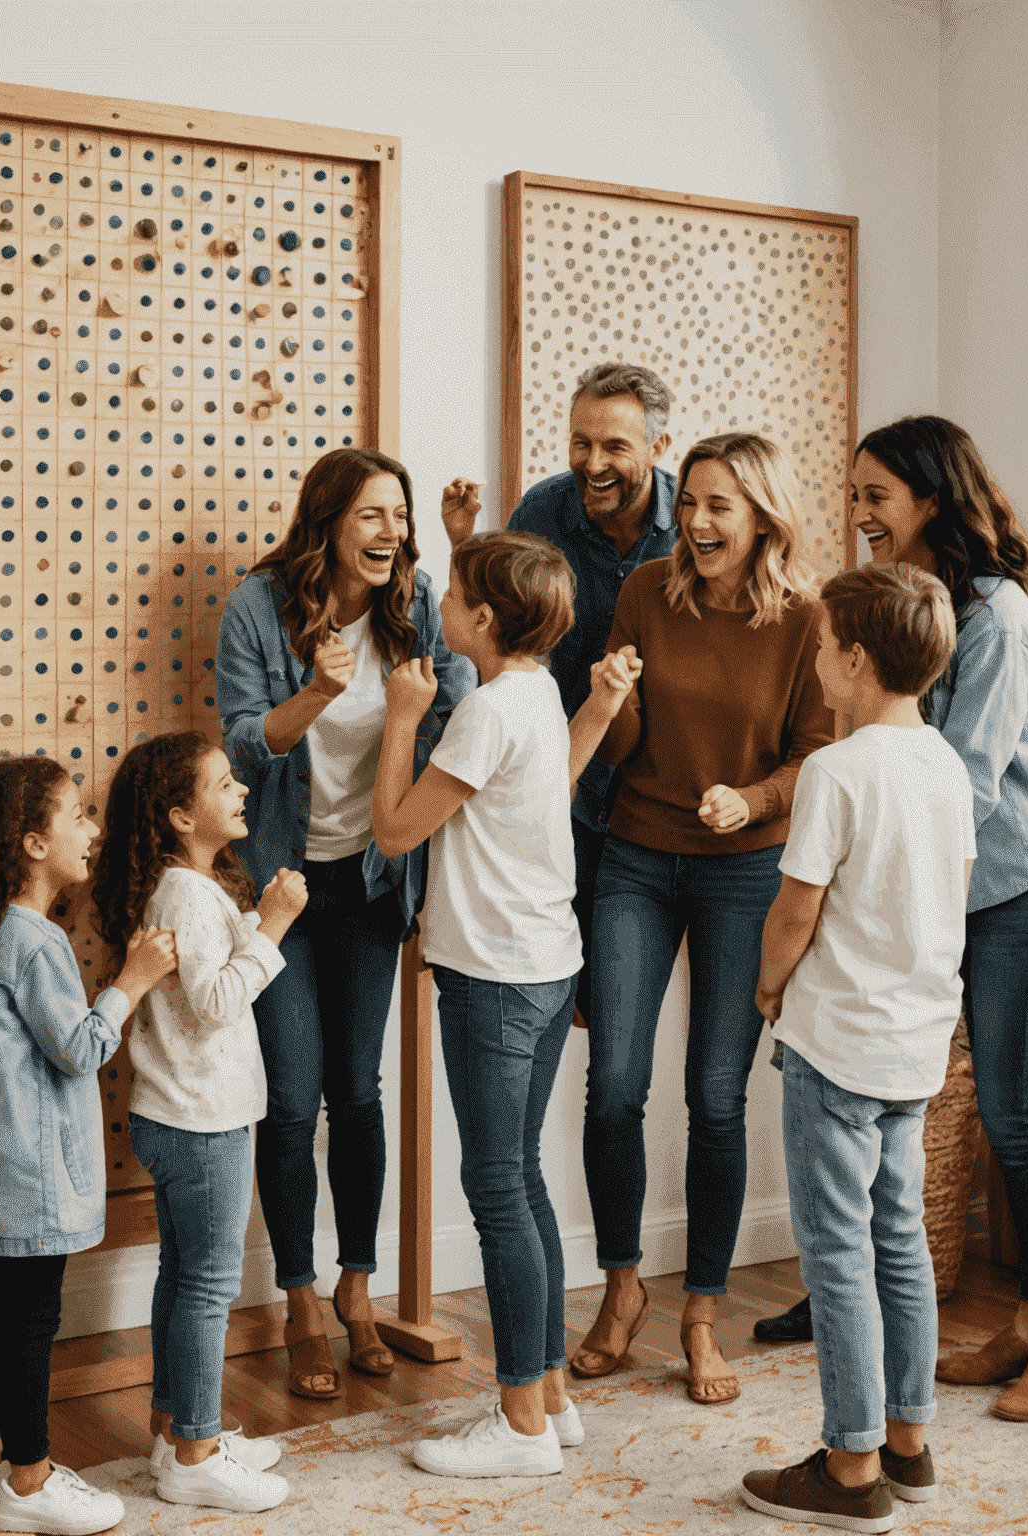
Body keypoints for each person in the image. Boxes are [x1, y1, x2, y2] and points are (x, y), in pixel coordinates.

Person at [844, 416, 1028, 1423]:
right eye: (855, 493)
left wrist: (885, 885)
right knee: (1003, 1117)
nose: (860, 513)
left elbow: (970, 782)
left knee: (1018, 1119)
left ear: (931, 500)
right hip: (974, 887)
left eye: (876, 495)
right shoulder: (926, 602)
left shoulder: (993, 615)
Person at [368, 530, 642, 1478]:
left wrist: (403, 716)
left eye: (455, 600)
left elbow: (397, 828)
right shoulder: (533, 694)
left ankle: (520, 1421)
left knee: (494, 1188)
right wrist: (601, 709)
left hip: (492, 978)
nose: (439, 608)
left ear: (483, 620)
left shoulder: (482, 710)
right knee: (518, 1178)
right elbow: (554, 780)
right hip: (543, 966)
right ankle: (551, 1395)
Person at [574, 432, 836, 1405]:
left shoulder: (806, 619)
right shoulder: (648, 590)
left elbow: (814, 757)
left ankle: (701, 1314)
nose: (696, 521)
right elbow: (627, 744)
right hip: (638, 857)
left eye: (720, 505)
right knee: (613, 1087)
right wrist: (614, 700)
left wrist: (753, 802)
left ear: (762, 513)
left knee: (716, 1099)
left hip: (743, 872)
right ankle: (621, 1290)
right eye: (691, 504)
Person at [216, 447, 476, 1399]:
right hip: (283, 886)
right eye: (373, 515)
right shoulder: (259, 606)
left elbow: (462, 710)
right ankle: (297, 1302)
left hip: (372, 881)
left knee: (357, 1093)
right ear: (326, 521)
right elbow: (243, 741)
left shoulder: (415, 604)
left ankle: (358, 1292)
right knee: (291, 1101)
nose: (391, 533)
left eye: (398, 516)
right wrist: (319, 691)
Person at [740, 562, 974, 1532]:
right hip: (916, 1045)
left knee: (836, 1254)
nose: (815, 657)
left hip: (837, 1047)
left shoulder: (837, 771)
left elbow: (799, 906)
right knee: (898, 1243)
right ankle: (909, 1443)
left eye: (823, 643)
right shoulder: (946, 766)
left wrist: (766, 984)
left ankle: (848, 1467)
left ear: (855, 657)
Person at [0, 756, 178, 1536]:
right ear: (34, 843)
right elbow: (78, 1047)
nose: (94, 830)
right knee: (33, 1317)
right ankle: (29, 1483)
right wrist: (132, 979)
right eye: (80, 815)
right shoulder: (35, 943)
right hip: (27, 1171)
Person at [89, 731, 303, 1515]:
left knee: (183, 1277)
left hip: (174, 1116)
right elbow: (216, 1004)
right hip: (204, 1122)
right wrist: (274, 923)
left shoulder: (185, 888)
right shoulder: (187, 894)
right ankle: (196, 1452)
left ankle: (174, 1425)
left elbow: (200, 986)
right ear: (181, 815)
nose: (241, 789)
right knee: (209, 1286)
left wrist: (255, 923)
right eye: (223, 784)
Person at [441, 360, 678, 1030]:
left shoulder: (693, 524)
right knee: (554, 1002)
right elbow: (497, 633)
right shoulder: (542, 511)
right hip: (558, 793)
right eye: (581, 442)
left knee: (618, 1019)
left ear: (659, 450)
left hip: (654, 803)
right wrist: (465, 545)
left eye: (614, 447)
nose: (592, 462)